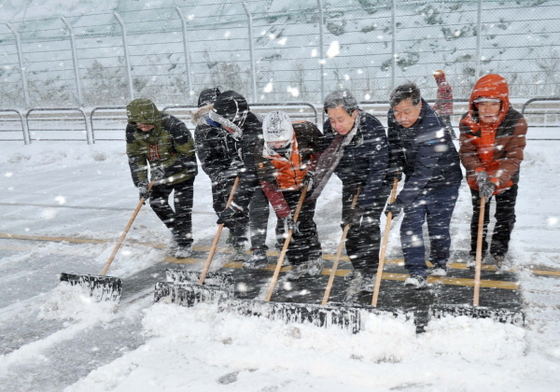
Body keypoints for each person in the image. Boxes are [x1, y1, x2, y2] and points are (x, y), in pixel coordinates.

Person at [311, 90, 390, 298]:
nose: (336, 125)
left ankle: (370, 272)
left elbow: (379, 170)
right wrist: (349, 179)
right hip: (352, 180)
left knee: (369, 222)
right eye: (331, 119)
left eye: (340, 119)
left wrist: (363, 204)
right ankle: (358, 267)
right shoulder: (330, 129)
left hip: (377, 181)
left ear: (354, 113)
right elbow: (331, 158)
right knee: (349, 224)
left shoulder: (371, 128)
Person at [386, 83, 463, 289]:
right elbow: (393, 143)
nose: (401, 117)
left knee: (438, 226)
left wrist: (400, 201)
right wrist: (395, 166)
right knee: (410, 226)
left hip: (445, 180)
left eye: (407, 112)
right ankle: (417, 273)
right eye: (397, 112)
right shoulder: (394, 115)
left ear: (419, 104)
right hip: (416, 178)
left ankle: (439, 261)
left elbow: (424, 170)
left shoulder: (432, 125)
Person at [458, 74, 527, 271]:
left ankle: (499, 252)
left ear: (502, 103)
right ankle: (477, 253)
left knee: (505, 216)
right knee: (480, 215)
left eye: (493, 104)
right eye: (482, 104)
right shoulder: (468, 122)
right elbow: (466, 152)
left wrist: (495, 179)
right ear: (475, 104)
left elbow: (513, 157)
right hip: (477, 177)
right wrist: (480, 175)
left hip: (506, 179)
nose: (487, 109)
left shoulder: (515, 121)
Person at [126, 98, 198, 258]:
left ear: (153, 118)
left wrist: (166, 167)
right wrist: (141, 182)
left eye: (146, 124)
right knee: (157, 202)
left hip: (184, 172)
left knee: (182, 210)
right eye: (139, 124)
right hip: (160, 174)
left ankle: (184, 244)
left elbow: (187, 154)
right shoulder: (132, 130)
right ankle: (180, 233)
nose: (143, 128)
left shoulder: (174, 126)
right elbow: (135, 157)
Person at [257, 110, 324, 280]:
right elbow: (268, 185)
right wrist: (284, 212)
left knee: (305, 221)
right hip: (282, 187)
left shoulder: (306, 131)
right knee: (287, 225)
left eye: (282, 142)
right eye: (274, 143)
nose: (278, 146)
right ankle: (297, 261)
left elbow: (322, 154)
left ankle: (314, 256)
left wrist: (312, 172)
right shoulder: (259, 149)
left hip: (305, 184)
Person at [207, 90, 271, 268]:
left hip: (276, 173)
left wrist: (234, 206)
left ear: (235, 118)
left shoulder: (253, 134)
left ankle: (286, 252)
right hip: (261, 169)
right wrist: (238, 160)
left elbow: (252, 175)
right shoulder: (242, 127)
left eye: (225, 124)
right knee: (257, 207)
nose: (224, 129)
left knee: (263, 208)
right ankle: (261, 251)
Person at [192, 88, 247, 262]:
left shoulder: (232, 122)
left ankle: (239, 240)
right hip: (220, 171)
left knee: (237, 205)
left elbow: (244, 145)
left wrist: (239, 164)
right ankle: (233, 230)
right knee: (220, 206)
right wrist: (218, 175)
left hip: (240, 169)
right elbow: (206, 158)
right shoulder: (202, 130)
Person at [433, 69, 456, 139]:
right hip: (447, 108)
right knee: (446, 123)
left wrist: (434, 108)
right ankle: (451, 135)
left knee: (443, 123)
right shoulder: (446, 85)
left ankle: (450, 136)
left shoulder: (442, 87)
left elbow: (440, 100)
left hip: (443, 109)